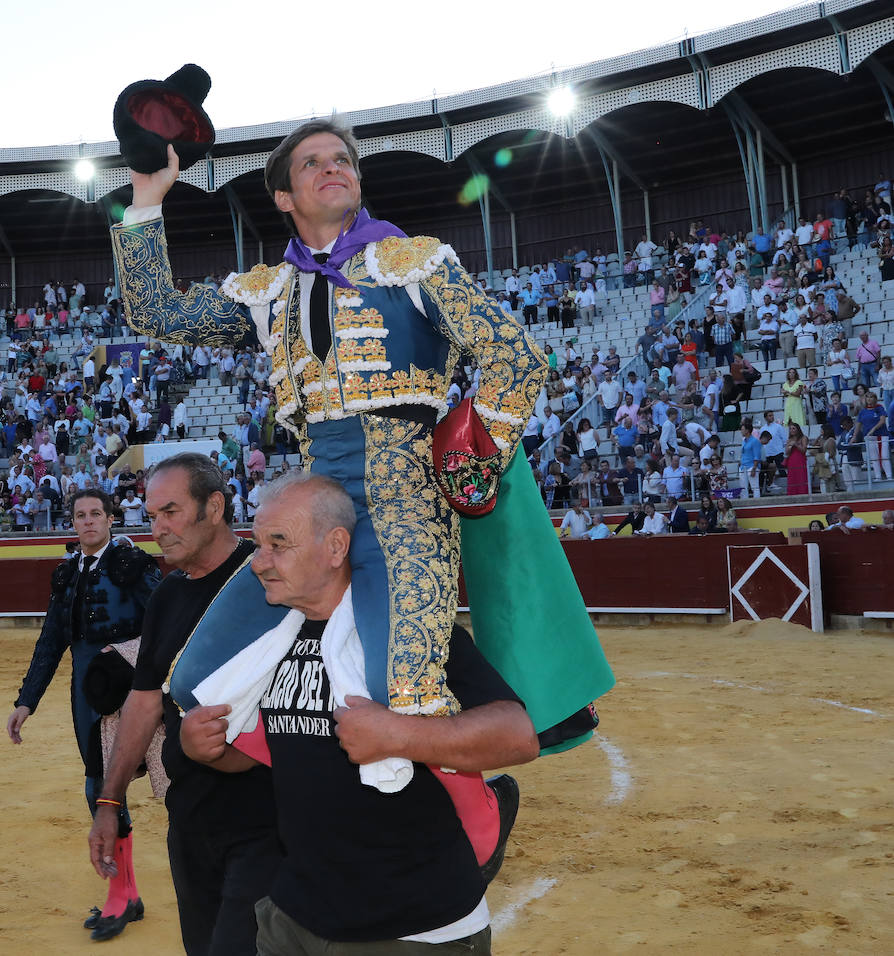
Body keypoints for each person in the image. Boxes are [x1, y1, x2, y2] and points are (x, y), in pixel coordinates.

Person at [109, 120, 610, 770]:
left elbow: (515, 355)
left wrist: (476, 458)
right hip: (310, 523)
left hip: (406, 519)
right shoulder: (273, 292)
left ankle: (463, 815)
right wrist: (147, 197)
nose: (332, 167)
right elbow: (157, 314)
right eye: (312, 162)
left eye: (342, 158)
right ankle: (310, 785)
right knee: (195, 680)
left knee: (397, 696)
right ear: (284, 197)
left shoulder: (412, 264)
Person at [179, 473, 538, 951]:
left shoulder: (404, 636)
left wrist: (398, 736)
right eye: (258, 544)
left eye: (278, 544)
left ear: (334, 547)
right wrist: (207, 750)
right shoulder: (269, 645)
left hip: (413, 929)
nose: (258, 562)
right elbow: (268, 752)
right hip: (295, 917)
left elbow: (518, 735)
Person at [88, 454, 282, 953]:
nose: (159, 529)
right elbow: (143, 701)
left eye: (170, 512)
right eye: (152, 516)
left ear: (214, 506)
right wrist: (109, 800)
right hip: (190, 821)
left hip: (269, 824)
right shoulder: (168, 595)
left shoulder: (270, 580)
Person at [7, 489, 162, 938]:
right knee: (99, 785)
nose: (89, 521)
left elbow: (166, 622)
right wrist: (26, 701)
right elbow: (51, 641)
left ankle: (121, 896)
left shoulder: (133, 564)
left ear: (111, 518)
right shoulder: (67, 573)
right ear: (71, 522)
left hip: (128, 686)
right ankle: (126, 894)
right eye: (80, 515)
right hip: (84, 690)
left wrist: (138, 664)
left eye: (96, 513)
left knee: (106, 786)